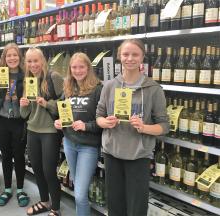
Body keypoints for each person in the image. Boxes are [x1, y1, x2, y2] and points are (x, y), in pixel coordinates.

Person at [96, 39, 169, 216]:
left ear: (142, 57)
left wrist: (144, 128)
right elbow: (99, 116)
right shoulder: (109, 86)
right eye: (125, 54)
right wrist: (104, 122)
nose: (130, 58)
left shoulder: (153, 89)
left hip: (139, 156)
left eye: (135, 54)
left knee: (137, 208)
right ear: (119, 57)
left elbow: (164, 126)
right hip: (112, 153)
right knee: (115, 205)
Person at [54, 52, 102, 216]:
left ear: (88, 68)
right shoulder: (68, 88)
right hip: (69, 143)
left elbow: (104, 122)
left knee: (80, 193)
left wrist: (86, 126)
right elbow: (63, 112)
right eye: (74, 67)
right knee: (77, 188)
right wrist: (60, 122)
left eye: (81, 67)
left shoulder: (98, 89)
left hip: (88, 147)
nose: (78, 70)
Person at [19, 47, 64, 216]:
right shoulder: (28, 81)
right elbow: (25, 114)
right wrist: (23, 106)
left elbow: (65, 105)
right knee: (37, 168)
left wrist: (47, 104)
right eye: (29, 61)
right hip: (32, 129)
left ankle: (56, 208)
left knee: (48, 170)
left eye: (35, 61)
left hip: (50, 131)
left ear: (42, 61)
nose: (33, 65)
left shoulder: (54, 77)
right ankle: (44, 201)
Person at [0, 43, 29, 207]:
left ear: (19, 57)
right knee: (5, 156)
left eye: (15, 55)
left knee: (19, 156)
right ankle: (7, 189)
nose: (12, 58)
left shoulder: (26, 76)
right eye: (8, 55)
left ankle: (19, 189)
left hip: (19, 121)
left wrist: (26, 101)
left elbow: (31, 99)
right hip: (3, 121)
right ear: (4, 58)